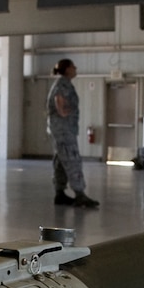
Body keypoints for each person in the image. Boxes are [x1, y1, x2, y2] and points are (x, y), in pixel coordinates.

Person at [47, 59, 98, 208]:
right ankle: (80, 195)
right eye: (73, 67)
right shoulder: (63, 84)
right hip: (64, 131)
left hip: (61, 130)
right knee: (72, 160)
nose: (76, 69)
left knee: (61, 162)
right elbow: (59, 101)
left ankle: (60, 193)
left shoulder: (62, 82)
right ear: (67, 69)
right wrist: (64, 112)